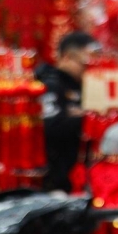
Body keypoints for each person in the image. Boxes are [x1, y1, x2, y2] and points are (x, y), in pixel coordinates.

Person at [35, 32, 98, 193]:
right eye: (86, 65)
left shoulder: (87, 86)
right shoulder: (49, 85)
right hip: (57, 178)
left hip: (80, 174)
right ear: (68, 57)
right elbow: (50, 126)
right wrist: (88, 119)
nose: (90, 71)